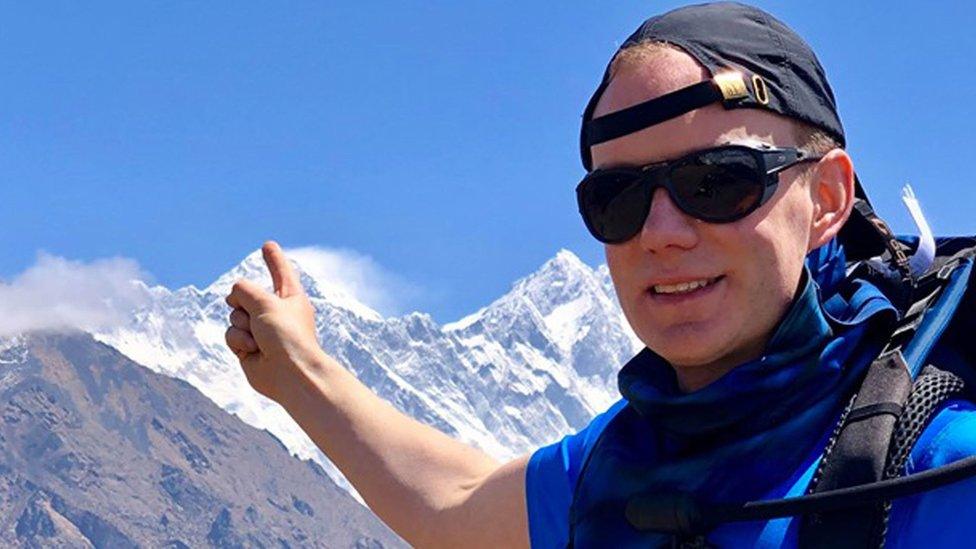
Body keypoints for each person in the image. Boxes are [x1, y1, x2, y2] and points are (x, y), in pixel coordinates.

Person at [223, 3, 976, 547]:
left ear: (827, 200)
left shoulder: (938, 466)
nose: (661, 232)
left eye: (717, 182)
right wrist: (299, 374)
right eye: (618, 199)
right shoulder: (623, 468)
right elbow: (456, 503)